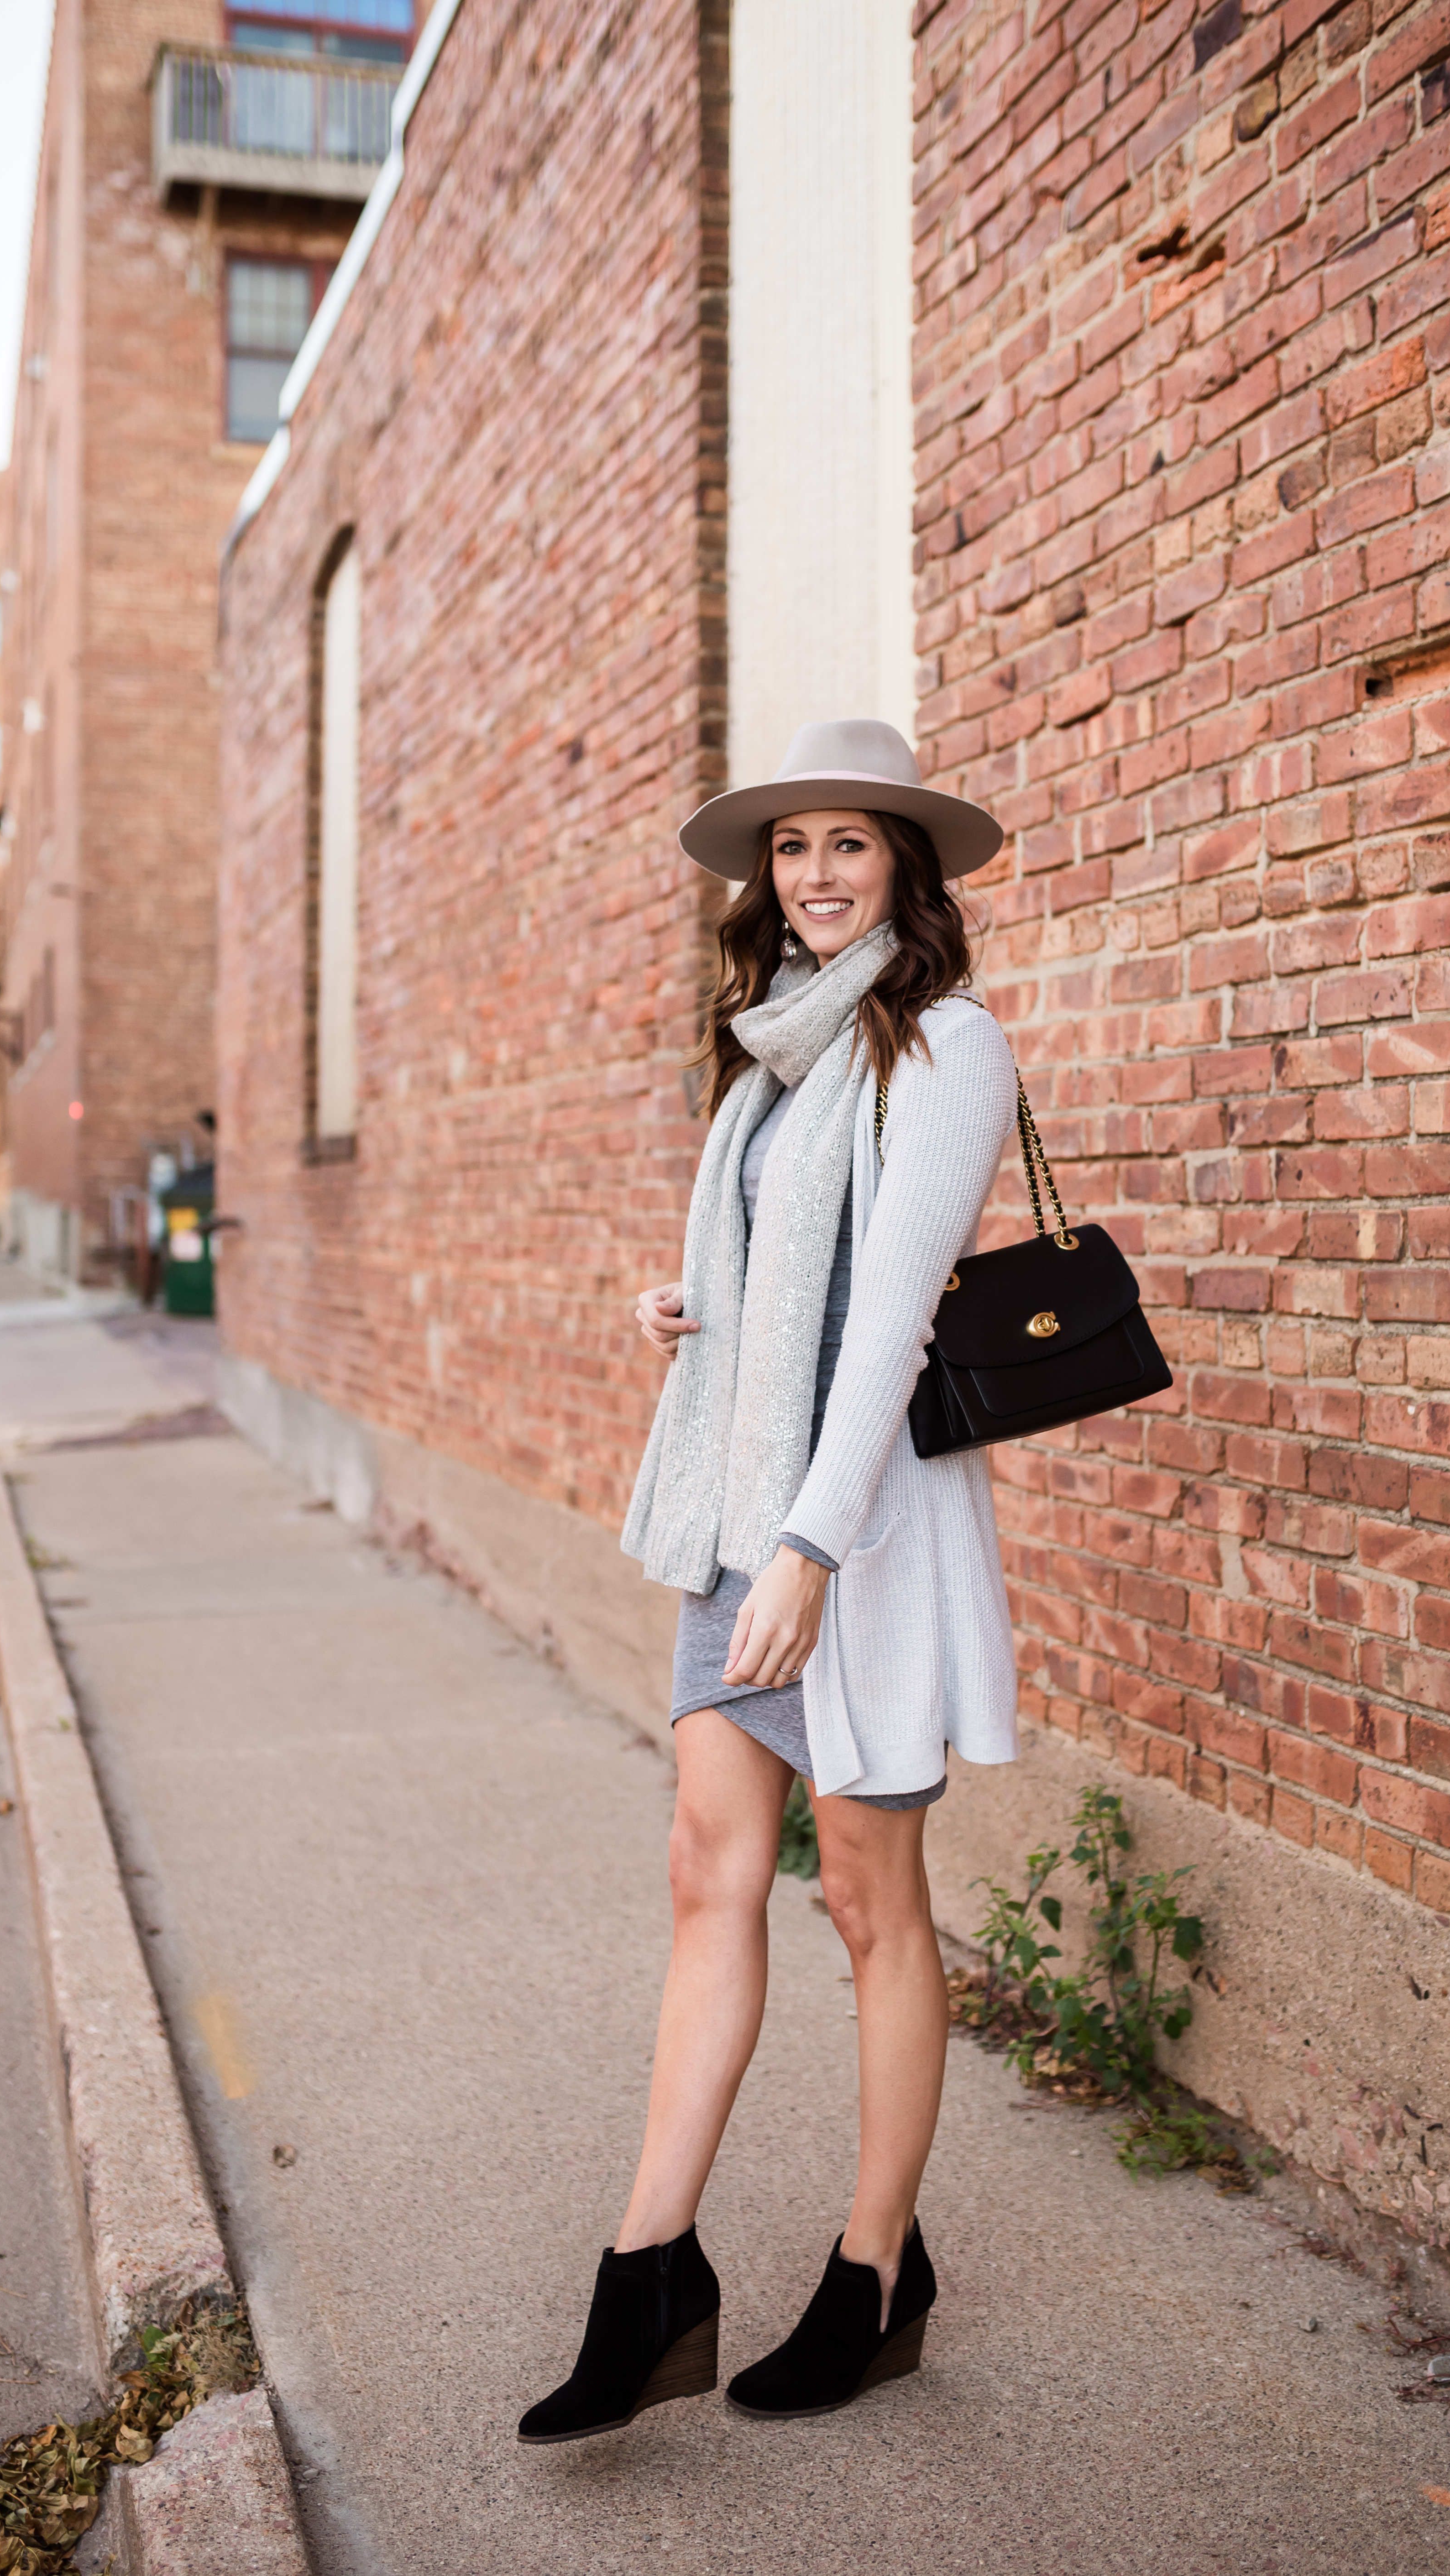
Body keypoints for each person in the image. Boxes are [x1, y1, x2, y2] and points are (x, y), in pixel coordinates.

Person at [518, 719, 1020, 2445]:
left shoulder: (945, 1049)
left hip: (850, 1544)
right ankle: (650, 2271)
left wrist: (810, 1548)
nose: (813, 875)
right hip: (733, 1533)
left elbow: (886, 1325)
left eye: (848, 847)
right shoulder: (761, 1071)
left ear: (906, 871)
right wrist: (688, 1312)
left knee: (872, 1902)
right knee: (700, 1871)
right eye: (791, 847)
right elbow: (775, 1302)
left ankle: (878, 2272)